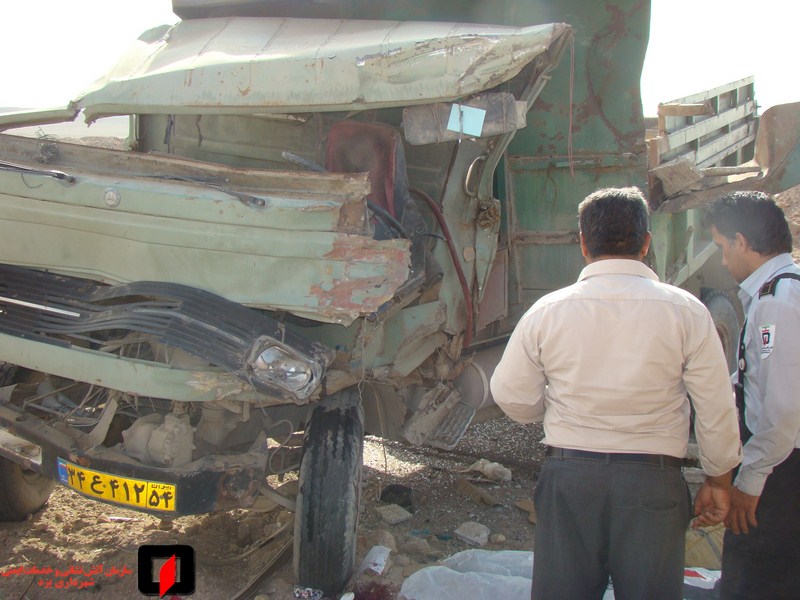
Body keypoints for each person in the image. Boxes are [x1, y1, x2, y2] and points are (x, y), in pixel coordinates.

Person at [490, 186, 742, 600]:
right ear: (646, 244)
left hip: (569, 480)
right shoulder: (687, 312)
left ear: (583, 244)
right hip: (653, 485)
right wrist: (718, 478)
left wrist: (551, 411)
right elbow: (716, 408)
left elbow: (510, 394)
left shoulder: (548, 310)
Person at [704, 191, 800, 599]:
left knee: (757, 581)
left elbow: (782, 412)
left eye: (722, 247)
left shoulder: (776, 304)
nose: (724, 261)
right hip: (782, 462)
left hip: (782, 470)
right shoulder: (782, 290)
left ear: (741, 241)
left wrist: (751, 480)